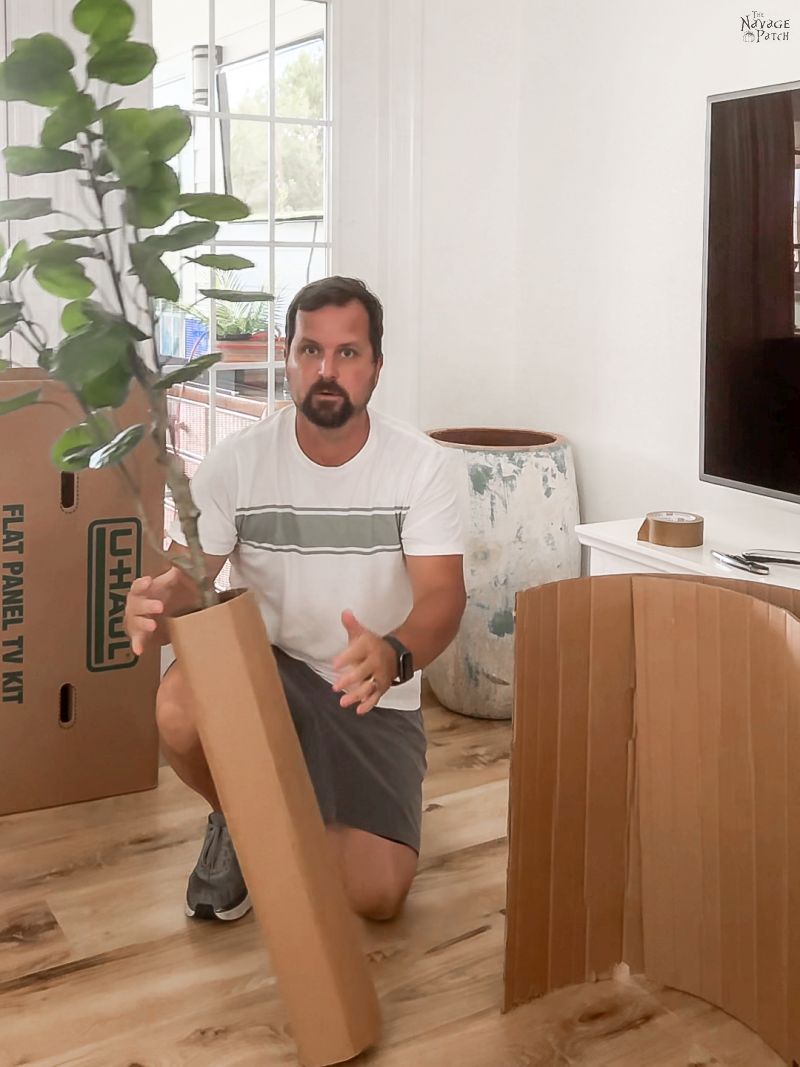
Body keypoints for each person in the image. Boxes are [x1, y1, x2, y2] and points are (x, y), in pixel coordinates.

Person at [124, 276, 467, 924]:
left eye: (347, 352)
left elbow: (443, 598)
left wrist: (393, 653)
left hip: (370, 689)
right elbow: (192, 581)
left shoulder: (419, 465)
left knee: (377, 897)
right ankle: (236, 813)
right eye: (310, 350)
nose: (326, 370)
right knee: (178, 704)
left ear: (377, 366)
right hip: (270, 668)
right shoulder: (238, 461)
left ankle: (280, 804)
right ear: (286, 357)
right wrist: (156, 603)